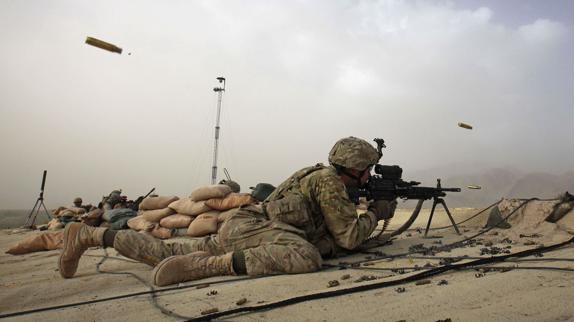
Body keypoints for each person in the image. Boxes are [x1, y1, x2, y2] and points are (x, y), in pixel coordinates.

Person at [58, 137, 396, 286]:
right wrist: (375, 213)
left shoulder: (315, 174)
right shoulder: (329, 182)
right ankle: (209, 267)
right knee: (306, 257)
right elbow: (349, 237)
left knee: (167, 250)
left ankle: (91, 234)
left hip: (248, 228)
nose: (368, 176)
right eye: (366, 169)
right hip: (252, 229)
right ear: (353, 167)